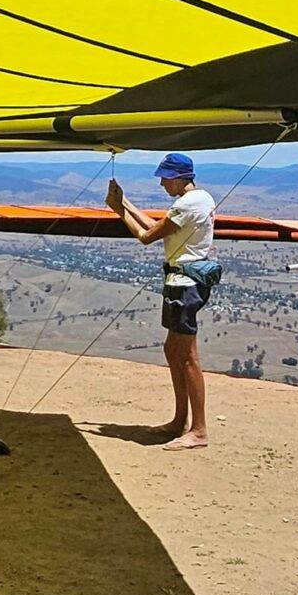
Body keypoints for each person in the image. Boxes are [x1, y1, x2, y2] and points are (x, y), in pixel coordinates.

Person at [105, 152, 218, 450]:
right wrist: (125, 203)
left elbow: (146, 235)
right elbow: (159, 226)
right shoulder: (201, 199)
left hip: (184, 284)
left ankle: (199, 430)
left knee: (187, 356)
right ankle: (180, 421)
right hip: (186, 281)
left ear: (180, 177)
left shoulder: (185, 204)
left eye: (166, 178)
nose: (162, 184)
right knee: (173, 350)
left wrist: (119, 211)